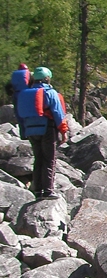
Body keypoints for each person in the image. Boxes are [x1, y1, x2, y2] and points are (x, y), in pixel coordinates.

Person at [17, 66, 68, 199]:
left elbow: (20, 116)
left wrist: (23, 132)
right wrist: (64, 131)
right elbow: (58, 113)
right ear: (47, 79)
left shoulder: (26, 94)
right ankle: (48, 190)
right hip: (47, 129)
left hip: (31, 131)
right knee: (49, 160)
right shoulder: (50, 93)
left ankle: (37, 191)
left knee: (38, 159)